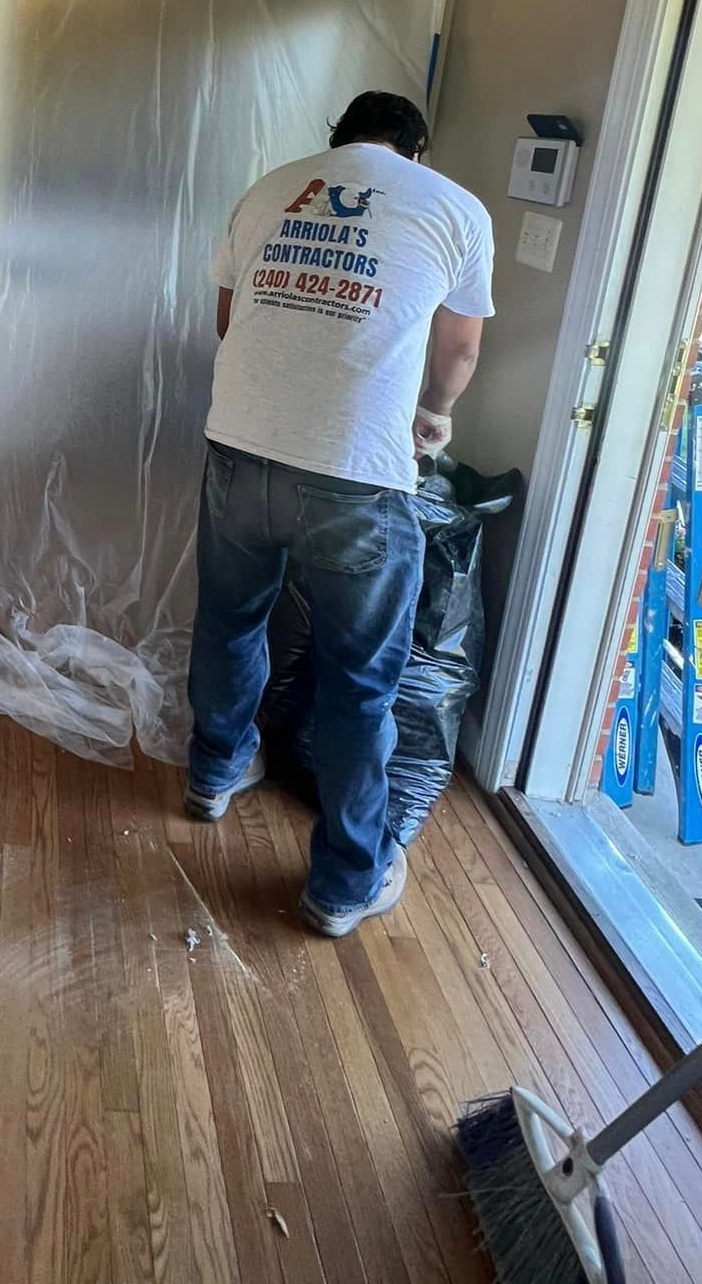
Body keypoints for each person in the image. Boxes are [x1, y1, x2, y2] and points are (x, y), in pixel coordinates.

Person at [184, 90, 493, 937]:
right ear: (416, 149)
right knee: (359, 682)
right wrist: (434, 410)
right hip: (358, 476)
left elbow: (227, 321)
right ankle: (343, 884)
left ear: (338, 140)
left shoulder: (270, 189)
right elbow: (460, 346)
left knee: (230, 619)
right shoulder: (454, 208)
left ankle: (214, 773)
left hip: (239, 450)